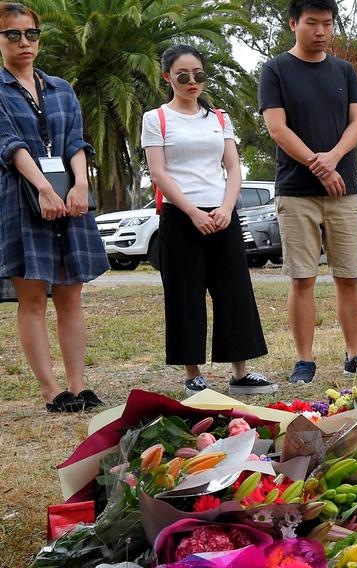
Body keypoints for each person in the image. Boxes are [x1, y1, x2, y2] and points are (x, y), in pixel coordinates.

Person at [0, 1, 108, 412]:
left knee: (70, 297)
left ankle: (79, 386)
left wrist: (80, 186)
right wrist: (43, 190)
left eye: (31, 33)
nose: (24, 42)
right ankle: (53, 392)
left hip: (71, 200)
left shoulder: (61, 88)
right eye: (12, 34)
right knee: (32, 300)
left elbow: (75, 143)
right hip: (22, 200)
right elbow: (8, 144)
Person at [142, 45, 276, 397]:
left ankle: (240, 371)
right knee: (185, 294)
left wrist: (227, 207)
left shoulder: (219, 117)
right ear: (167, 76)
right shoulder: (156, 118)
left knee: (235, 291)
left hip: (222, 213)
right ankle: (192, 374)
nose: (191, 82)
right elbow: (159, 172)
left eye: (198, 75)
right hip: (181, 216)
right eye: (182, 75)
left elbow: (233, 167)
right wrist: (192, 211)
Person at [259, 0, 357, 384]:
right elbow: (277, 128)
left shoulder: (344, 70)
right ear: (294, 23)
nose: (321, 31)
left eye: (327, 23)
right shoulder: (275, 69)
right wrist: (317, 163)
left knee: (349, 274)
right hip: (296, 191)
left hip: (343, 189)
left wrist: (334, 157)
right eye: (312, 23)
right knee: (302, 278)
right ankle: (304, 360)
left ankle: (355, 354)